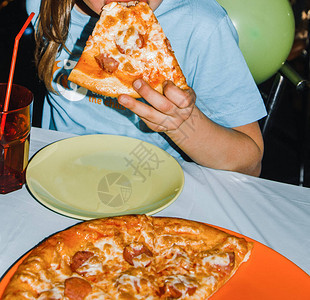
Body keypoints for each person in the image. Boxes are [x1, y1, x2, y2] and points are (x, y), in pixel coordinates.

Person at [26, 0, 267, 176]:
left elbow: (250, 163)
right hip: (56, 175)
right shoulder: (43, 6)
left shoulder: (202, 25)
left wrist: (182, 125)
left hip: (156, 185)